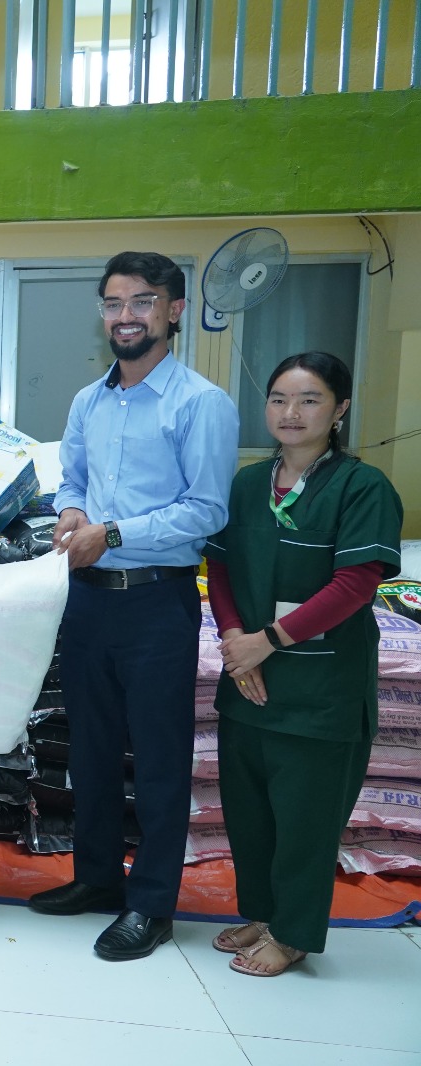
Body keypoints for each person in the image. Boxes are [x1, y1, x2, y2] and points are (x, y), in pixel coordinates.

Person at [28, 251, 239, 961]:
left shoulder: (201, 404)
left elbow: (206, 511)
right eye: (114, 303)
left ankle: (151, 904)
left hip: (157, 604)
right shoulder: (88, 402)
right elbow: (72, 480)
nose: (126, 316)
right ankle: (96, 880)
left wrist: (111, 533)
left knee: (157, 760)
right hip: (88, 602)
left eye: (142, 301)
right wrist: (71, 512)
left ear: (173, 311)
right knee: (88, 752)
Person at [205, 351, 402, 977]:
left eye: (310, 399)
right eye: (279, 399)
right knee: (251, 813)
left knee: (305, 820)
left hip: (320, 688)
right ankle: (263, 914)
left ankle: (293, 934)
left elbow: (355, 585)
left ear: (340, 409)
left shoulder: (363, 488)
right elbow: (221, 568)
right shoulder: (246, 485)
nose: (291, 412)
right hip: (250, 679)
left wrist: (268, 641)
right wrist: (235, 640)